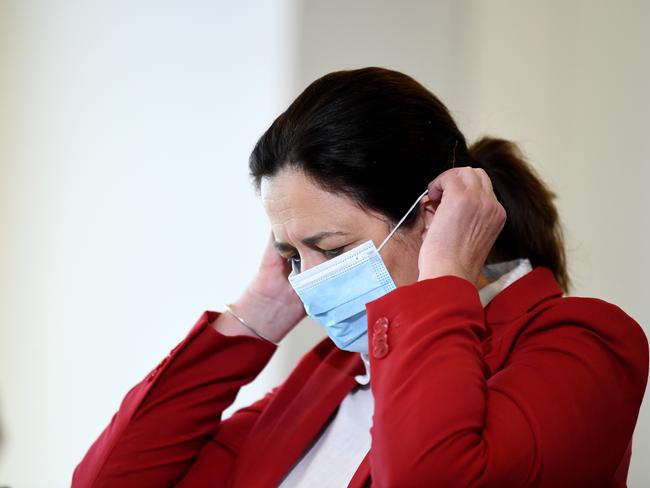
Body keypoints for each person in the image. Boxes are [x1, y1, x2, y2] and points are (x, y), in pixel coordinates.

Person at [71, 67, 648, 487]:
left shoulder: (583, 341)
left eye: (333, 247)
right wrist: (258, 312)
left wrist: (442, 278)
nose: (311, 280)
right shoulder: (334, 374)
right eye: (292, 254)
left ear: (433, 214)